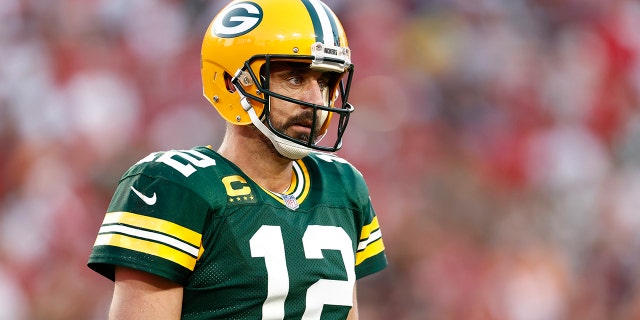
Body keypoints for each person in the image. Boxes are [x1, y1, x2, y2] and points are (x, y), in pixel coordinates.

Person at [87, 0, 388, 318]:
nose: (316, 100)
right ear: (233, 82)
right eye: (296, 79)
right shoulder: (175, 187)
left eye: (325, 82)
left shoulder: (343, 187)